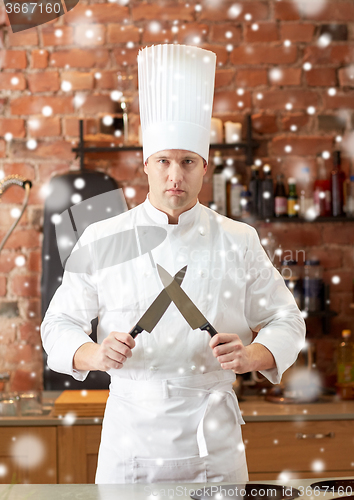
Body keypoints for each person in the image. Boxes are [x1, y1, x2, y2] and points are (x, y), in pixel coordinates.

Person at [41, 44, 306, 484]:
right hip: (131, 444)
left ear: (205, 166)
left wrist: (250, 356)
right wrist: (95, 353)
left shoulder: (238, 240)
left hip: (213, 443)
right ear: (146, 165)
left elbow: (286, 321)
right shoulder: (103, 239)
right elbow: (58, 325)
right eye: (163, 161)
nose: (175, 176)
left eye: (187, 162)